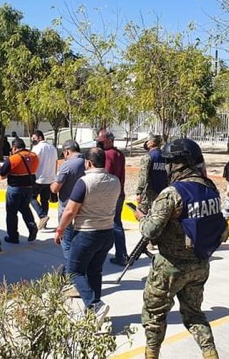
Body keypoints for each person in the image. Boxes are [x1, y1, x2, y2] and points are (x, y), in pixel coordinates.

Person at [136, 139, 226, 359]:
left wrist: (140, 217)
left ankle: (151, 355)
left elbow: (149, 231)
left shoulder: (172, 193)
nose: (167, 166)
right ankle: (210, 354)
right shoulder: (210, 188)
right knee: (195, 315)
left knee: (154, 316)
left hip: (169, 268)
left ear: (179, 163)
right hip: (200, 264)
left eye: (169, 162)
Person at [54, 147, 119, 320]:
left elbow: (69, 211)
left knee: (74, 271)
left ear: (89, 163)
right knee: (94, 272)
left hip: (86, 234)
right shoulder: (115, 181)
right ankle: (93, 314)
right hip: (107, 232)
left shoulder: (85, 182)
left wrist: (60, 229)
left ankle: (95, 305)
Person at [0, 138, 39, 244]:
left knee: (12, 212)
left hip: (15, 189)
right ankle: (32, 226)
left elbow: (2, 172)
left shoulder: (13, 158)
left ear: (14, 148)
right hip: (29, 188)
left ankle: (13, 236)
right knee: (25, 209)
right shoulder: (34, 156)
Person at [96, 129, 128, 266]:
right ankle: (122, 254)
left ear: (109, 141)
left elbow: (105, 175)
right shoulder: (120, 154)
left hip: (110, 196)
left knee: (112, 225)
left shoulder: (108, 155)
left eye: (101, 142)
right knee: (117, 224)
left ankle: (120, 255)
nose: (99, 144)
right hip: (119, 193)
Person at [50, 140, 85, 261]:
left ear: (67, 152)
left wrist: (51, 184)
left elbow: (55, 188)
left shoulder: (67, 165)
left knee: (66, 242)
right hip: (84, 209)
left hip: (67, 209)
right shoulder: (88, 162)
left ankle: (71, 270)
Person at [30, 130, 57, 230]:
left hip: (38, 178)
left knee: (31, 197)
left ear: (40, 138)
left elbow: (32, 161)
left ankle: (42, 216)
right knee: (45, 200)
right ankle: (44, 223)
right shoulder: (53, 148)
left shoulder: (37, 148)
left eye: (34, 138)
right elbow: (56, 162)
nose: (33, 140)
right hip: (50, 179)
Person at [135, 134, 168, 215]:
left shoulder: (148, 157)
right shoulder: (166, 156)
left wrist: (139, 192)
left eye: (148, 141)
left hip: (150, 193)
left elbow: (143, 176)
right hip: (163, 191)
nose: (146, 143)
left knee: (145, 216)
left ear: (152, 143)